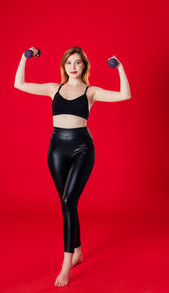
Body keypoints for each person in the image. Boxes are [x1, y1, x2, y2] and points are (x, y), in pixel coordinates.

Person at [14, 46, 131, 287]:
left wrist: (120, 67)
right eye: (69, 63)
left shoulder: (91, 92)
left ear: (84, 66)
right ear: (64, 66)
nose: (74, 66)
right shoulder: (53, 88)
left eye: (78, 62)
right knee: (68, 203)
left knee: (68, 202)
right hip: (56, 148)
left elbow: (124, 95)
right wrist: (24, 57)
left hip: (82, 148)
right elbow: (19, 84)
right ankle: (77, 251)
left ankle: (66, 264)